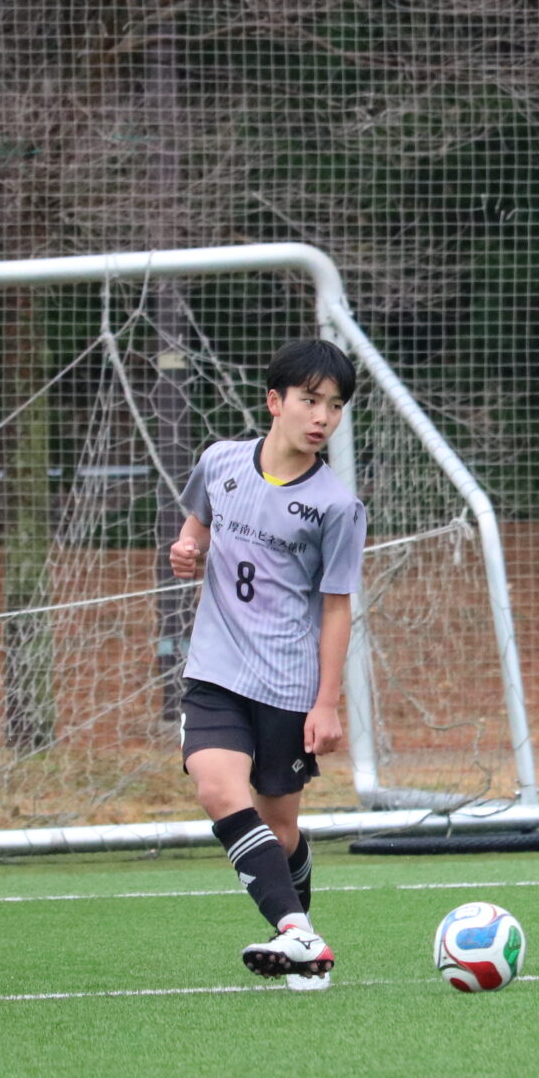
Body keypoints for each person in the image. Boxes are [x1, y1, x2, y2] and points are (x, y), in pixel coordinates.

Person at [167, 339, 368, 991]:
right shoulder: (220, 461)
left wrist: (327, 702)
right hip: (215, 671)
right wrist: (187, 546)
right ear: (275, 401)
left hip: (286, 684)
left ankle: (304, 943)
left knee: (280, 830)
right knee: (216, 787)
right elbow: (197, 523)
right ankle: (296, 931)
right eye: (311, 400)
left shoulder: (336, 506)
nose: (323, 417)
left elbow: (336, 607)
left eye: (335, 406)